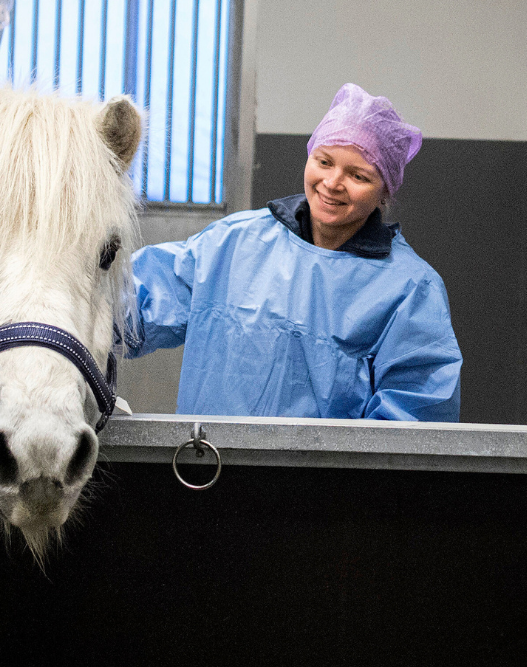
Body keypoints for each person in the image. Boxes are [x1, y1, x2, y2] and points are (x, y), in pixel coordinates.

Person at [123, 84, 462, 421]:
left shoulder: (410, 289)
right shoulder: (232, 244)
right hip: (209, 456)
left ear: (385, 190)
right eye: (324, 162)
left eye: (358, 176)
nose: (332, 183)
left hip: (327, 461)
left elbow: (413, 418)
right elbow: (129, 309)